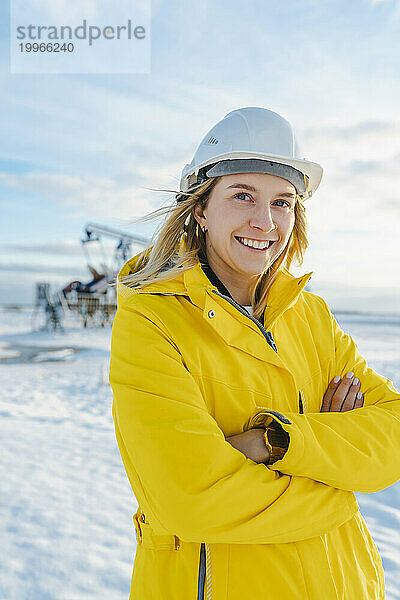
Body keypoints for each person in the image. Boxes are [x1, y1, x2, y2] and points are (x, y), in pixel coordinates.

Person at [109, 107, 400, 599]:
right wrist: (339, 481)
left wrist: (275, 441)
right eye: (243, 195)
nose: (265, 221)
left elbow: (392, 430)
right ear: (200, 208)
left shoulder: (310, 315)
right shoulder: (152, 321)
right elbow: (194, 499)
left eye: (283, 202)